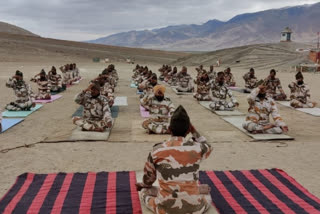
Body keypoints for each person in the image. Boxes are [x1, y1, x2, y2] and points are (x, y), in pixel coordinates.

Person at [136, 105, 213, 214]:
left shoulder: (157, 150)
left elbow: (148, 180)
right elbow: (206, 144)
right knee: (207, 194)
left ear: (169, 129)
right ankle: (192, 191)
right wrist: (194, 130)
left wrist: (144, 186)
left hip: (164, 209)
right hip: (195, 209)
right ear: (188, 130)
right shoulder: (198, 148)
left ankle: (177, 192)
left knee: (144, 191)